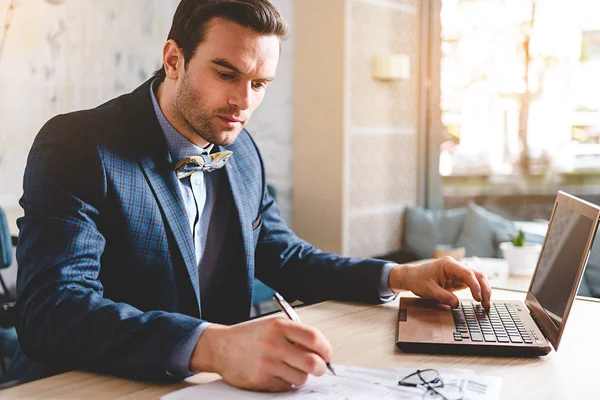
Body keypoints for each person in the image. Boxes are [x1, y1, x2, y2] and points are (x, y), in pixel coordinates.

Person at [5, 0, 491, 391]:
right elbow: (53, 310)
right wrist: (214, 346)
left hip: (211, 387)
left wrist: (399, 274)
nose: (244, 102)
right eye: (226, 74)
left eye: (259, 84)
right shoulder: (79, 144)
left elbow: (282, 255)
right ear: (174, 60)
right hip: (79, 384)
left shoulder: (242, 151)